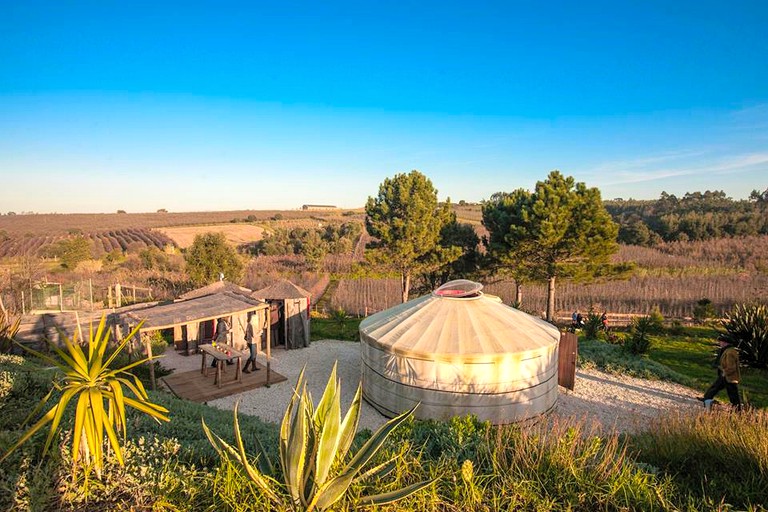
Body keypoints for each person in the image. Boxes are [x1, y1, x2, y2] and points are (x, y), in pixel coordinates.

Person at [701, 336, 741, 411]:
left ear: (725, 342)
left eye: (721, 341)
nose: (720, 343)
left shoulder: (730, 352)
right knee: (715, 387)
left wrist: (725, 373)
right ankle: (707, 398)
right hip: (725, 375)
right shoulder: (726, 350)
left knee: (733, 394)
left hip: (729, 377)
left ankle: (737, 410)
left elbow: (731, 367)